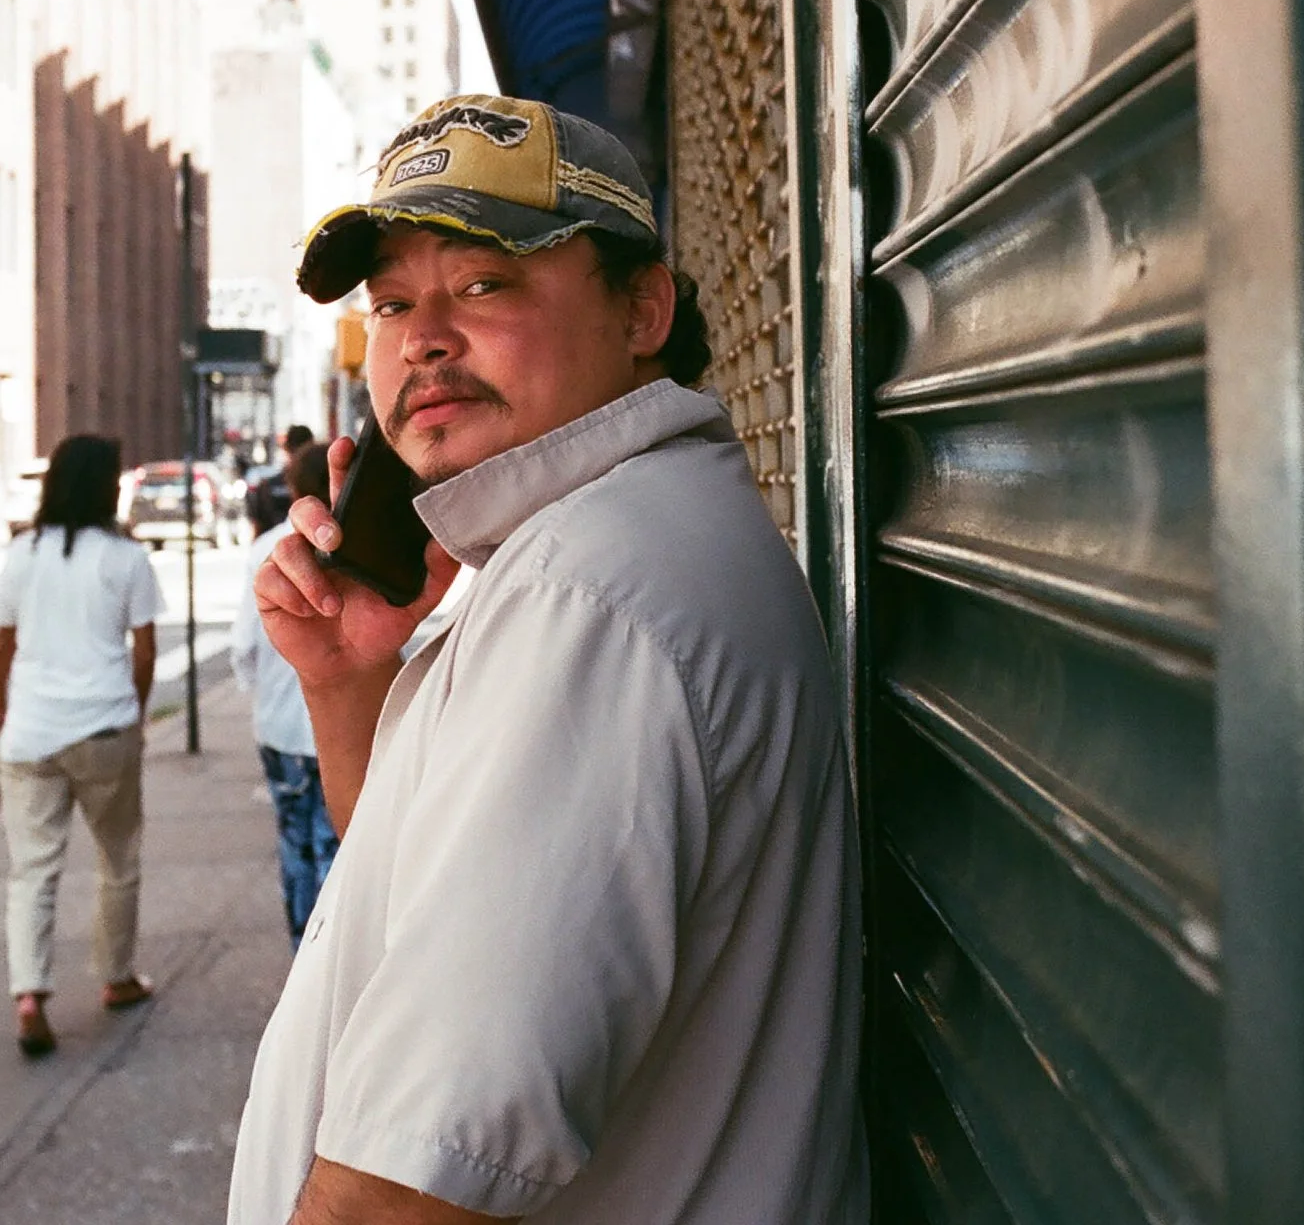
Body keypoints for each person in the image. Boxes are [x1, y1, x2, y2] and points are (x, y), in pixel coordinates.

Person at [229, 96, 861, 1224]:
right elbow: (430, 902)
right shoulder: (590, 553)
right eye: (390, 305)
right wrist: (348, 682)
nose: (421, 337)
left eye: (483, 283)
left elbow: (411, 1178)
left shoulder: (587, 598)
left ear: (643, 308)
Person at [0, 433, 160, 1058]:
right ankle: (116, 978)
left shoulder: (23, 553)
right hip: (104, 727)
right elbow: (145, 648)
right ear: (106, 487)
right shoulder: (126, 557)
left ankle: (29, 995)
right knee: (118, 860)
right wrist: (131, 712)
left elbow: (4, 642)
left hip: (31, 734)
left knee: (32, 870)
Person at [231, 441, 339, 949]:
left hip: (280, 725)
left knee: (295, 844)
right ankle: (340, 961)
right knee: (343, 849)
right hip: (345, 728)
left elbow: (244, 647)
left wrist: (257, 693)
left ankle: (306, 958)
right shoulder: (361, 542)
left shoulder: (266, 549)